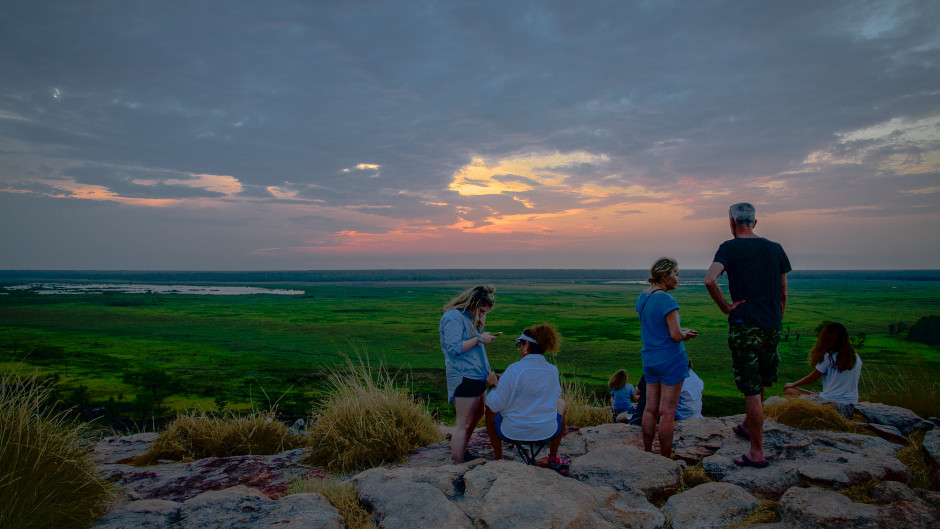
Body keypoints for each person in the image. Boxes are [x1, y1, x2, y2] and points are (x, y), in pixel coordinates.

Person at [705, 202, 791, 469]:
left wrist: (726, 307)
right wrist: (776, 318)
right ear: (755, 222)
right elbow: (783, 293)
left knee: (751, 389)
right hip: (771, 324)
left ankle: (756, 451)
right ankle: (746, 425)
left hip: (744, 324)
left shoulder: (728, 248)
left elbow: (710, 280)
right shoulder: (776, 249)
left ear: (732, 222)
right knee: (763, 379)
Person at [636, 257, 698, 458]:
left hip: (650, 358)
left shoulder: (643, 297)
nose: (678, 278)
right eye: (676, 274)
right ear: (665, 276)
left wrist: (679, 330)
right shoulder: (667, 300)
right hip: (671, 360)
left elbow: (655, 328)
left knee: (649, 409)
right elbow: (674, 335)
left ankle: (647, 452)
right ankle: (664, 458)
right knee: (667, 412)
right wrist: (685, 334)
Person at [485, 324, 568, 467]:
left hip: (511, 432)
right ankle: (553, 457)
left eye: (520, 345)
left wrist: (493, 385)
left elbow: (496, 405)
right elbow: (549, 396)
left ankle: (498, 459)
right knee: (561, 403)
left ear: (526, 345)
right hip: (547, 432)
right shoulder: (552, 370)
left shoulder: (514, 369)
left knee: (490, 408)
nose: (519, 349)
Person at [439, 285, 501, 464]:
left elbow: (474, 345)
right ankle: (457, 465)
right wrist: (480, 338)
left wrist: (481, 326)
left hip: (478, 373)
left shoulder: (470, 317)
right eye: (481, 310)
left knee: (477, 416)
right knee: (463, 425)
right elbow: (454, 348)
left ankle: (462, 453)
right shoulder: (453, 318)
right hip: (464, 376)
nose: (482, 313)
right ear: (472, 303)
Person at [783, 322, 862, 418]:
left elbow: (812, 378)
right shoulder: (856, 357)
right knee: (816, 394)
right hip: (851, 404)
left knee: (789, 390)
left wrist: (794, 384)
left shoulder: (829, 356)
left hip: (831, 404)